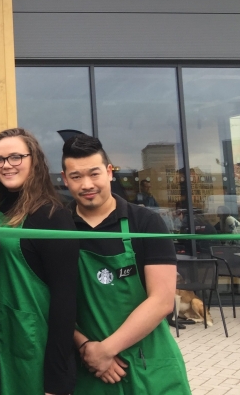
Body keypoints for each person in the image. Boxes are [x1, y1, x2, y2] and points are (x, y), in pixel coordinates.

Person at [61, 135, 189, 394]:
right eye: (76, 177)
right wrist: (87, 347)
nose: (87, 184)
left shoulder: (145, 223)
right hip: (90, 372)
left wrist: (105, 350)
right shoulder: (58, 227)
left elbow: (162, 300)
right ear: (65, 179)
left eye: (94, 173)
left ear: (109, 173)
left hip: (150, 366)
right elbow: (50, 298)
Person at [0, 128, 79, 395]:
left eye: (16, 157)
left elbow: (65, 300)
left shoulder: (52, 218)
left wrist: (57, 379)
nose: (6, 165)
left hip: (35, 349)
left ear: (34, 160)